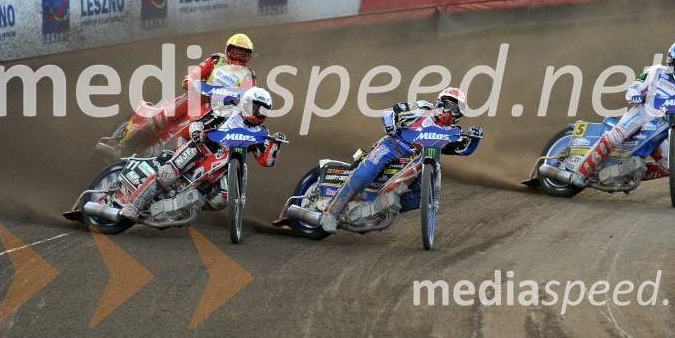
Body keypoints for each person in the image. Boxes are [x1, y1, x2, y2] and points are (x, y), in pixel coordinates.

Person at [319, 87, 483, 233]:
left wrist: (474, 139)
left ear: (460, 114)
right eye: (449, 105)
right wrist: (389, 125)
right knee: (364, 174)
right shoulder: (423, 108)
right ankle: (332, 213)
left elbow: (463, 150)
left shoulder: (452, 132)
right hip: (395, 144)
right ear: (440, 102)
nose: (450, 111)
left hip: (419, 160)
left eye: (456, 109)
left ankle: (378, 212)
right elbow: (391, 111)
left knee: (421, 197)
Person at [117, 86, 286, 221]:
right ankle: (134, 205)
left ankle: (185, 205)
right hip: (201, 149)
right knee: (168, 174)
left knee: (221, 200)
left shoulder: (261, 132)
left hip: (222, 168)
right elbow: (200, 123)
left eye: (263, 111)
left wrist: (276, 144)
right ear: (248, 103)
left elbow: (267, 161)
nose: (259, 114)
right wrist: (197, 132)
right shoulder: (228, 112)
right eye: (257, 108)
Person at [568, 41, 675, 189]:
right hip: (642, 112)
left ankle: (628, 173)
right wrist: (635, 95)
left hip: (661, 124)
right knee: (615, 137)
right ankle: (580, 172)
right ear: (671, 60)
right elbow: (634, 87)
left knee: (672, 165)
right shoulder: (655, 71)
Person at [109, 33, 258, 158]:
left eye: (243, 54)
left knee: (196, 138)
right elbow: (195, 72)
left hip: (217, 112)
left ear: (248, 57)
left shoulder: (248, 75)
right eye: (236, 52)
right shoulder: (216, 60)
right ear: (228, 50)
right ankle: (125, 145)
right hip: (196, 97)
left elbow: (249, 99)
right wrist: (190, 80)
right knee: (163, 117)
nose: (238, 57)